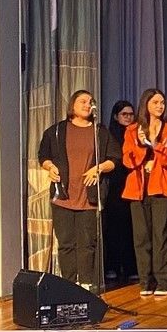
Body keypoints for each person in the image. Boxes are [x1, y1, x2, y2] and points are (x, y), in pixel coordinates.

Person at [38, 90, 121, 291]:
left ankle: (85, 284)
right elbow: (43, 155)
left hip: (88, 197)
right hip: (63, 195)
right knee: (66, 243)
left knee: (87, 243)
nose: (87, 104)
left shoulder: (99, 132)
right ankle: (69, 285)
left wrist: (99, 168)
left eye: (90, 102)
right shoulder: (57, 131)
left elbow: (115, 159)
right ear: (72, 105)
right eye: (82, 101)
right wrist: (50, 167)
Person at [121, 88, 167, 296]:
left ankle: (163, 281)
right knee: (141, 237)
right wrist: (141, 145)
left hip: (161, 187)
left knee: (161, 235)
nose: (160, 106)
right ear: (145, 104)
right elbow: (128, 160)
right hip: (138, 189)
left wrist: (156, 145)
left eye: (162, 102)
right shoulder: (132, 130)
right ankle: (145, 281)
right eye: (155, 102)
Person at [104, 100, 136, 282]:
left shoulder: (137, 133)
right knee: (114, 228)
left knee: (131, 228)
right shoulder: (109, 135)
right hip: (115, 186)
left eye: (131, 114)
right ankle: (113, 266)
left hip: (132, 183)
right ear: (116, 116)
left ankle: (131, 267)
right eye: (125, 114)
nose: (128, 117)